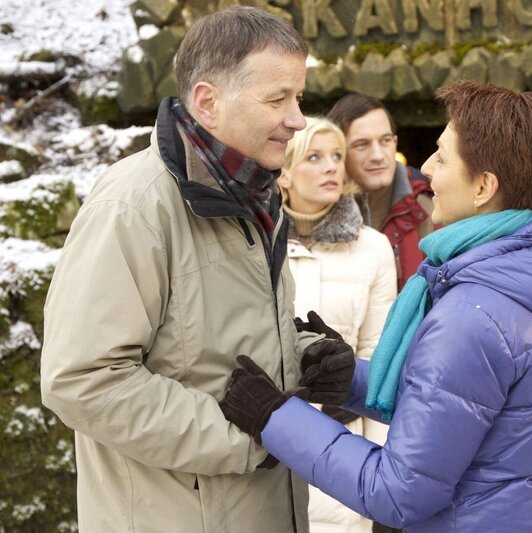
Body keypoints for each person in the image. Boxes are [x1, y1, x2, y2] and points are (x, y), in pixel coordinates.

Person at [219, 80, 532, 532]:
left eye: (443, 156)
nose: (425, 166)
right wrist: (348, 378)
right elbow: (468, 411)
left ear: (484, 187)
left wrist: (274, 417)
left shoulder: (475, 314)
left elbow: (400, 492)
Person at [39, 7, 355, 532]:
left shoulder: (253, 192)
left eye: (298, 97)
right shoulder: (134, 207)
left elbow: (205, 347)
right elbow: (82, 378)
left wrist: (304, 356)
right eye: (278, 99)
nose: (298, 119)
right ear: (208, 102)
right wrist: (254, 434)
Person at [278, 116, 397, 532]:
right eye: (315, 157)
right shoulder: (253, 242)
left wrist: (380, 457)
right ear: (284, 173)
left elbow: (378, 351)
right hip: (267, 434)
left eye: (337, 157)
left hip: (341, 444)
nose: (332, 167)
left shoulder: (373, 248)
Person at [327, 93, 434, 290]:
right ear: (337, 151)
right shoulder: (317, 207)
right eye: (362, 144)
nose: (377, 155)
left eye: (385, 141)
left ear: (395, 142)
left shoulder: (430, 204)